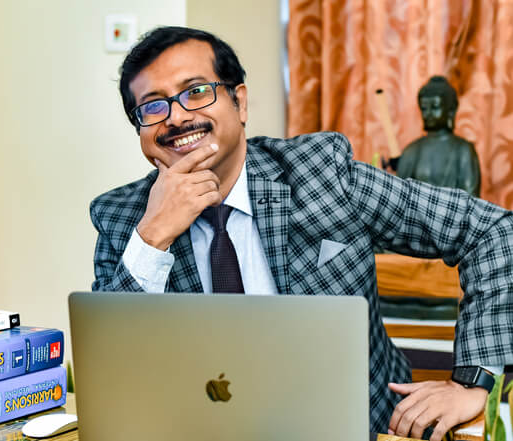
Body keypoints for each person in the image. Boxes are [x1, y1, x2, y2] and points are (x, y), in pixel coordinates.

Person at [90, 26, 513, 441]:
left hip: (357, 427)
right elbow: (113, 377)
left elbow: (491, 230)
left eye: (196, 91)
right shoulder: (123, 216)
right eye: (152, 106)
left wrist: (471, 381)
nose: (177, 117)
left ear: (240, 102)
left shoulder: (322, 172)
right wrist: (154, 235)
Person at [397, 76, 481, 197]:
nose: (428, 114)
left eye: (435, 107)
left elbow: (471, 200)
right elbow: (400, 197)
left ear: (451, 110)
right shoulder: (411, 150)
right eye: (424, 108)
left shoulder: (463, 150)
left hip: (453, 214)